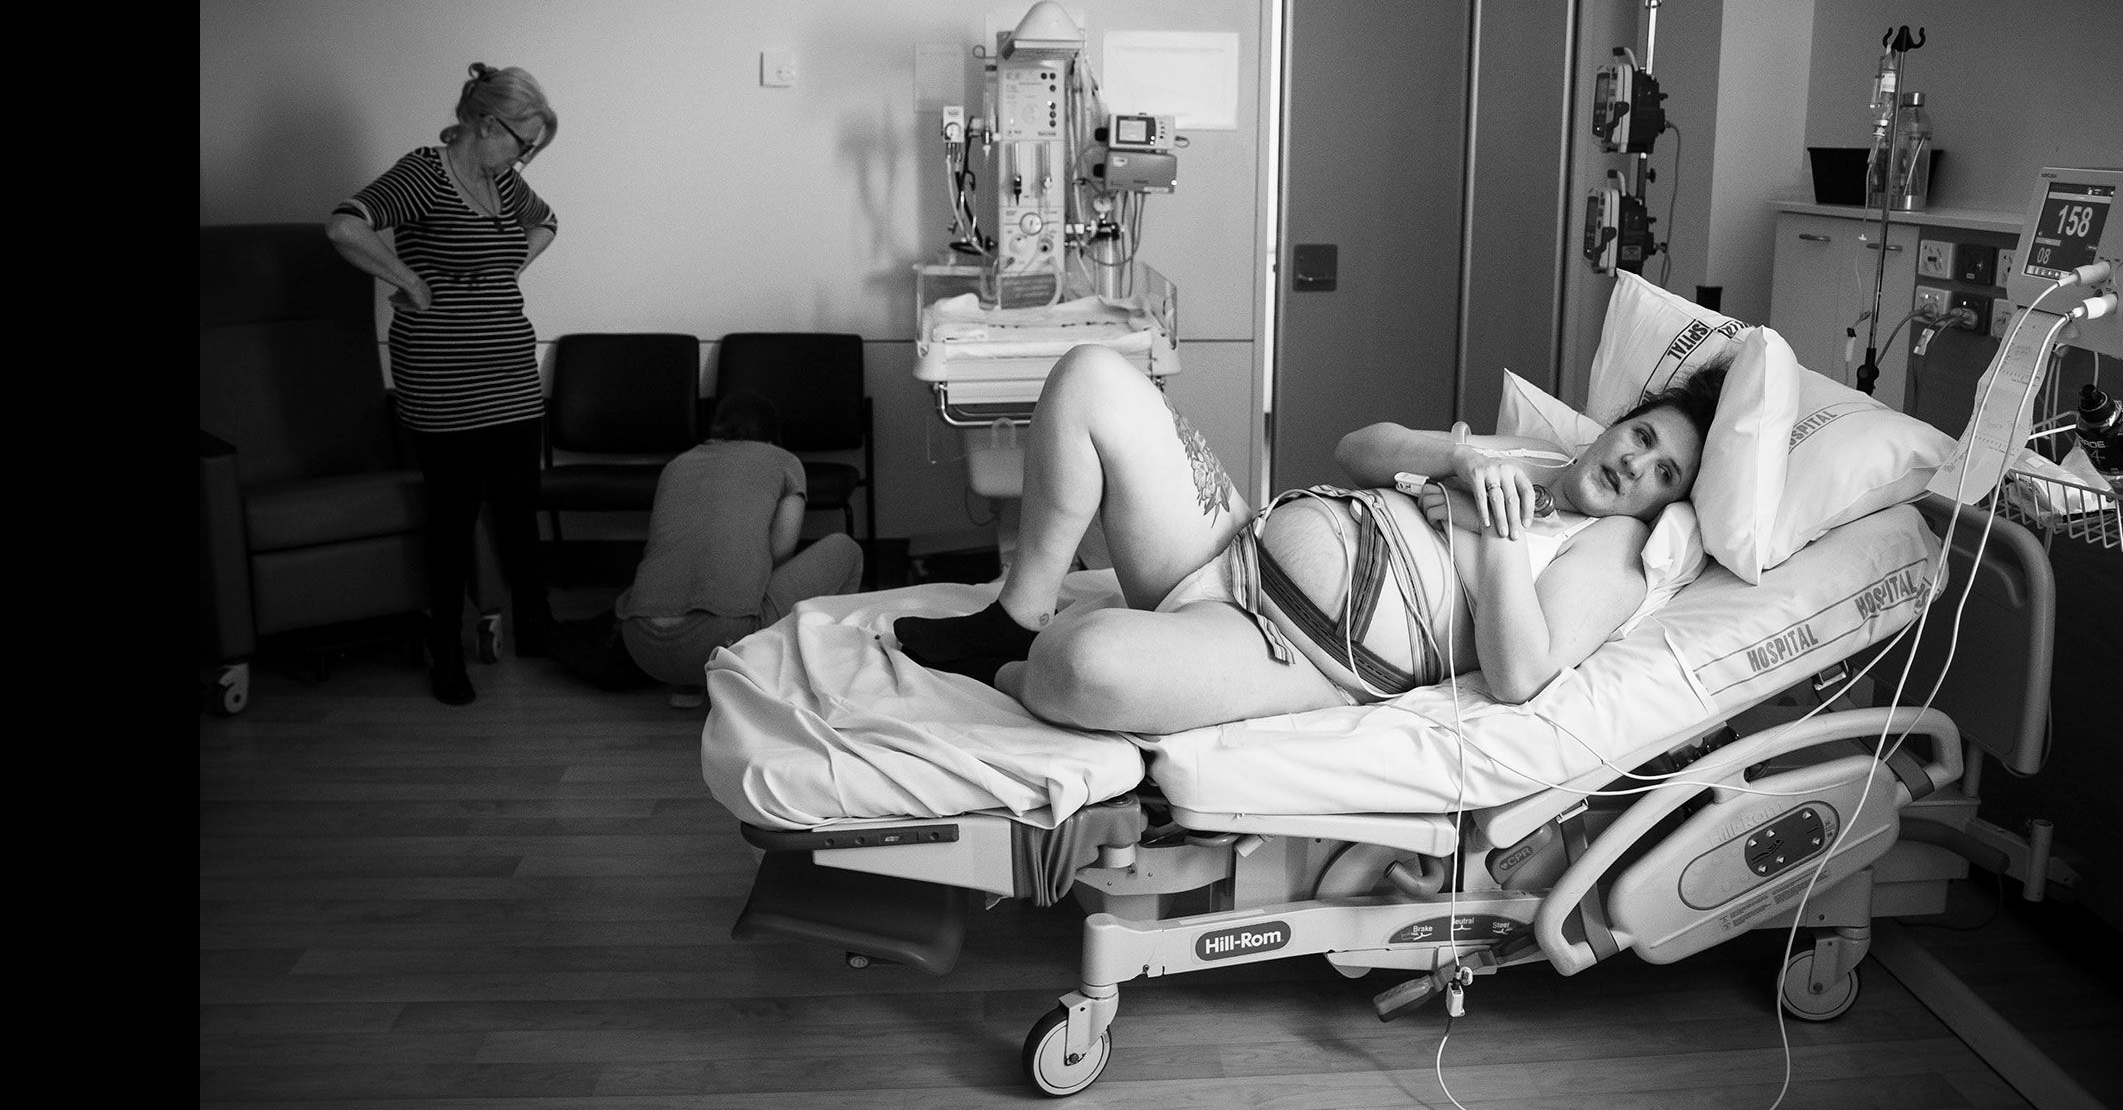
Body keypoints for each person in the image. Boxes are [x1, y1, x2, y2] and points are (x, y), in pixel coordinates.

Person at [893, 343, 1721, 735]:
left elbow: (1521, 674)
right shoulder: (1526, 455)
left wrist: (1504, 538)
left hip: (1288, 648)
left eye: (1666, 475)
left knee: (1085, 666)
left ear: (1668, 505)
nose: (1638, 466)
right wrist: (1462, 456)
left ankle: (1013, 669)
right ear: (1619, 425)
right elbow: (1356, 450)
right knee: (1091, 377)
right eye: (1644, 438)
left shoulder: (1614, 552)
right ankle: (1018, 614)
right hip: (1233, 542)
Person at [326, 63, 562, 706]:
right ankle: (444, 646)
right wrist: (407, 280)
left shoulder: (504, 182)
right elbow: (345, 225)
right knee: (454, 513)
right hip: (442, 375)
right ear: (487, 124)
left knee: (519, 500)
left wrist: (504, 268)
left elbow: (548, 223)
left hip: (510, 368)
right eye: (523, 142)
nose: (526, 157)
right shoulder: (426, 174)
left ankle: (536, 624)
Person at [617, 391, 866, 709]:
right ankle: (824, 673)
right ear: (773, 436)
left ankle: (691, 686)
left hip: (641, 644)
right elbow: (781, 550)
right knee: (846, 550)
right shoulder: (784, 461)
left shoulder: (677, 464)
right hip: (722, 639)